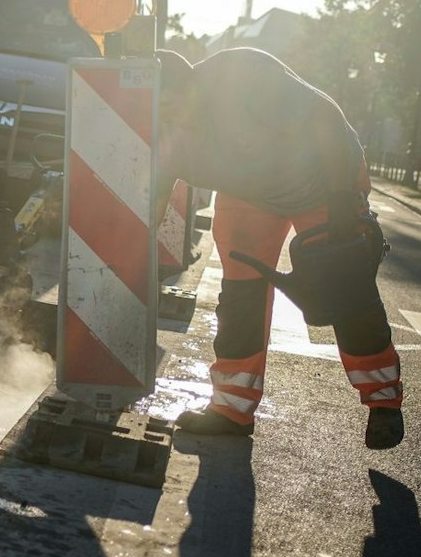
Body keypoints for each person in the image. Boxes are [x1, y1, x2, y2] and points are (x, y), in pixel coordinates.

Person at [156, 47, 404, 449]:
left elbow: (324, 118)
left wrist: (342, 197)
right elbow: (153, 194)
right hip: (249, 193)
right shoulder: (157, 132)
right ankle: (231, 410)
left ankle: (384, 402)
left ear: (191, 86)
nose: (173, 118)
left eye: (176, 105)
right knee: (241, 298)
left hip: (325, 178)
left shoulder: (242, 76)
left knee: (345, 290)